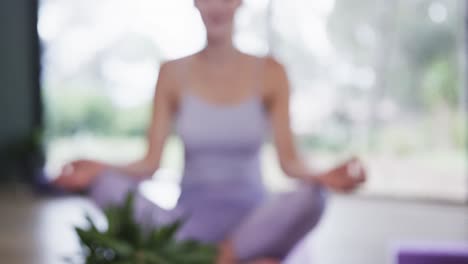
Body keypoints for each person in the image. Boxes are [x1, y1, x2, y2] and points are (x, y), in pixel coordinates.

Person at [53, 0, 366, 263]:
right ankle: (236, 257)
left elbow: (290, 163)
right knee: (104, 185)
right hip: (186, 223)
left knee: (314, 197)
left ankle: (215, 256)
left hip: (254, 221)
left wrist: (326, 177)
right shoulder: (171, 74)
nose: (217, 5)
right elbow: (149, 164)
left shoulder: (272, 73)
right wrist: (98, 168)